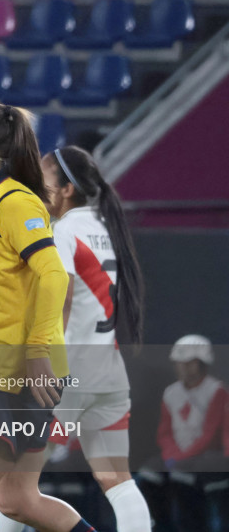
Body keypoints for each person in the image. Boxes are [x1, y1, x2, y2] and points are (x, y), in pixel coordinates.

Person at [0, 102, 97, 532]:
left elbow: (53, 275)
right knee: (16, 498)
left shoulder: (13, 202)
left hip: (15, 373)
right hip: (6, 370)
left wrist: (36, 351)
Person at [36, 145, 150, 532]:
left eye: (44, 180)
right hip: (108, 371)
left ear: (66, 189)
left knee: (11, 485)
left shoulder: (65, 229)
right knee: (116, 480)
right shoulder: (105, 227)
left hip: (69, 374)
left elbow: (62, 299)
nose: (38, 188)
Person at [138, 334, 229, 532]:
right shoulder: (171, 393)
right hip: (176, 455)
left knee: (183, 479)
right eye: (179, 363)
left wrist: (181, 458)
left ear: (202, 363)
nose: (182, 368)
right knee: (148, 476)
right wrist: (172, 455)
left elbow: (211, 435)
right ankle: (163, 527)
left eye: (189, 363)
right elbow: (164, 432)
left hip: (204, 456)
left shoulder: (216, 391)